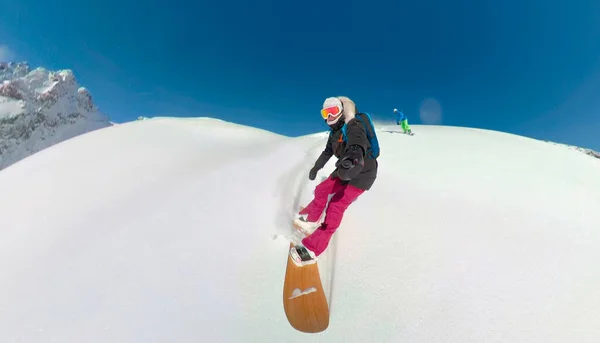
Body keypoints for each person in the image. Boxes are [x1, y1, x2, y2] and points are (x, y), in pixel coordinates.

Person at [292, 96, 379, 262]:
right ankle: (312, 220)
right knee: (321, 189)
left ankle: (313, 249)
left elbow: (357, 140)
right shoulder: (334, 134)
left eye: (333, 111)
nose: (330, 117)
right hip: (346, 169)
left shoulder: (353, 124)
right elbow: (327, 152)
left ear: (342, 111)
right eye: (326, 113)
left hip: (363, 172)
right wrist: (316, 167)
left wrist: (354, 154)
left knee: (336, 205)